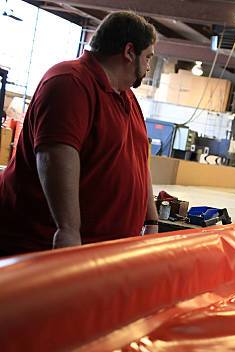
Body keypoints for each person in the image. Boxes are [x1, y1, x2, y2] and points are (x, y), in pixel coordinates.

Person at [0, 11, 159, 257]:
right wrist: (68, 230)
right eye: (148, 57)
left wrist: (151, 220)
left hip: (101, 252)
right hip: (42, 249)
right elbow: (54, 156)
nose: (148, 66)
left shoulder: (127, 97)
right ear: (129, 52)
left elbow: (140, 161)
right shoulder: (70, 82)